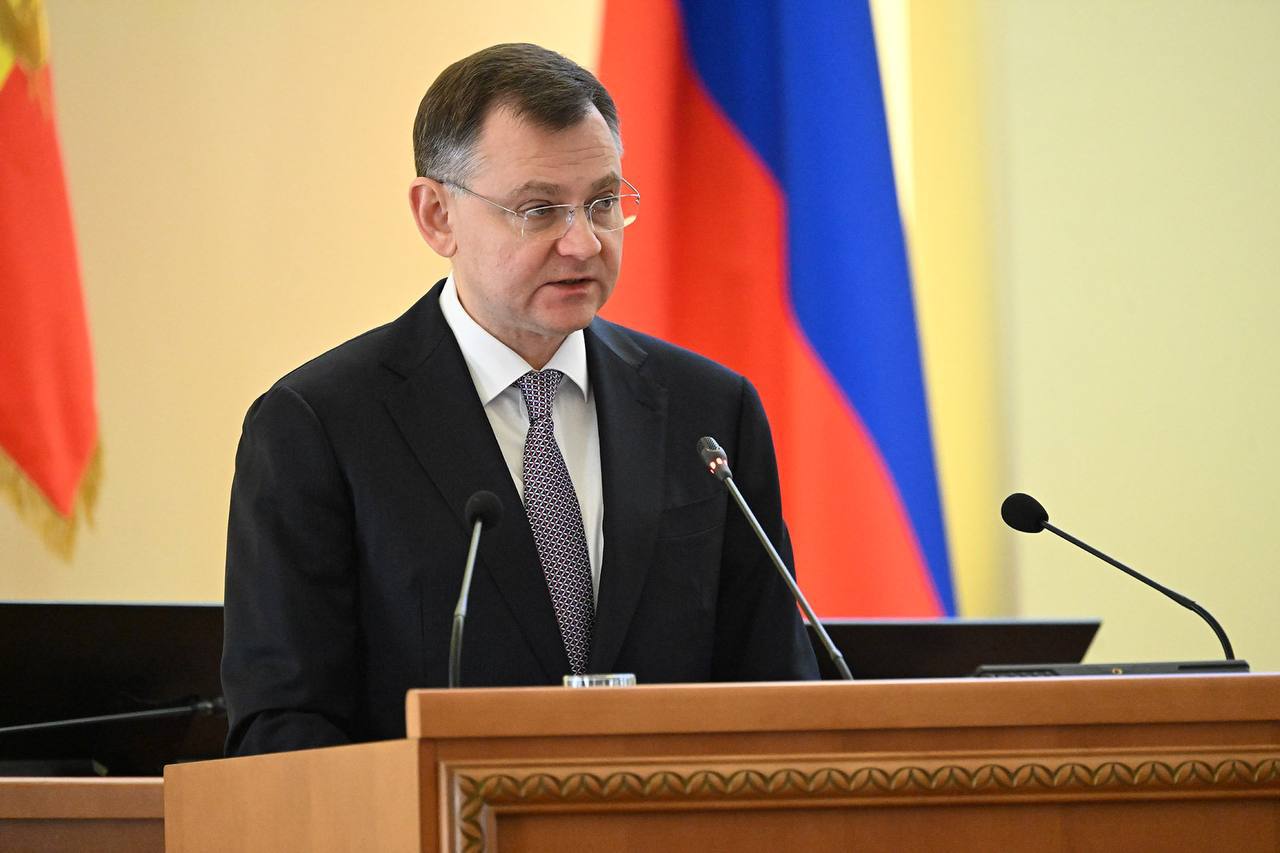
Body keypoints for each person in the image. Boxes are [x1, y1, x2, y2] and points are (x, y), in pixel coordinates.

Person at [221, 43, 819, 757]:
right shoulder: (319, 425)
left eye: (603, 203)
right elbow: (283, 730)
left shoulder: (711, 413)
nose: (583, 243)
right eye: (539, 210)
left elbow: (776, 691)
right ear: (437, 215)